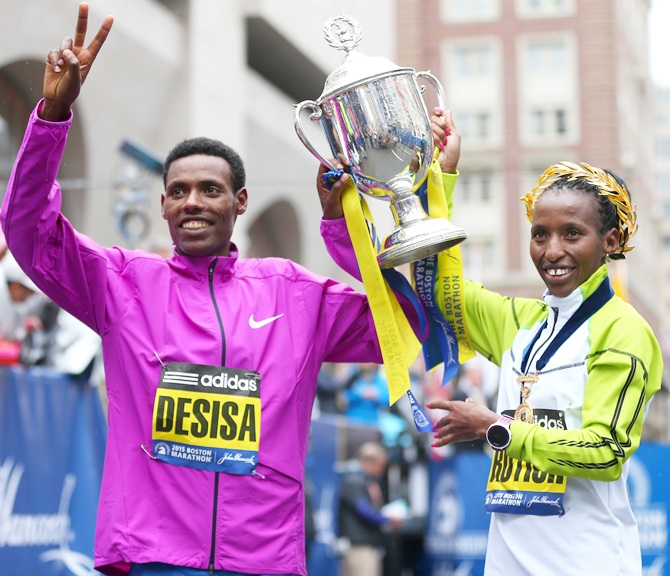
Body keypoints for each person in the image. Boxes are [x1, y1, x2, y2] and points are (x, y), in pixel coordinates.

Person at [1, 4, 415, 575]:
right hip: (155, 556)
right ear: (164, 204)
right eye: (178, 191)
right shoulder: (122, 282)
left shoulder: (294, 294)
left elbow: (408, 323)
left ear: (239, 202)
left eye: (210, 189)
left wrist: (344, 230)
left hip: (261, 558)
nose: (192, 201)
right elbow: (29, 231)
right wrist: (52, 115)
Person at [420, 117, 662, 574]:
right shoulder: (520, 320)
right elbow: (438, 285)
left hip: (588, 562)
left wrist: (499, 429)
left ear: (609, 241)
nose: (552, 250)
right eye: (540, 234)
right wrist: (442, 177)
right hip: (508, 562)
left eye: (572, 233)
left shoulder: (623, 331)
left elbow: (605, 450)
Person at [337, 441, 401, 576]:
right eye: (380, 465)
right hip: (360, 549)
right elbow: (364, 510)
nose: (381, 470)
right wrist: (388, 519)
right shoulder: (354, 480)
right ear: (369, 461)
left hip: (368, 547)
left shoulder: (366, 481)